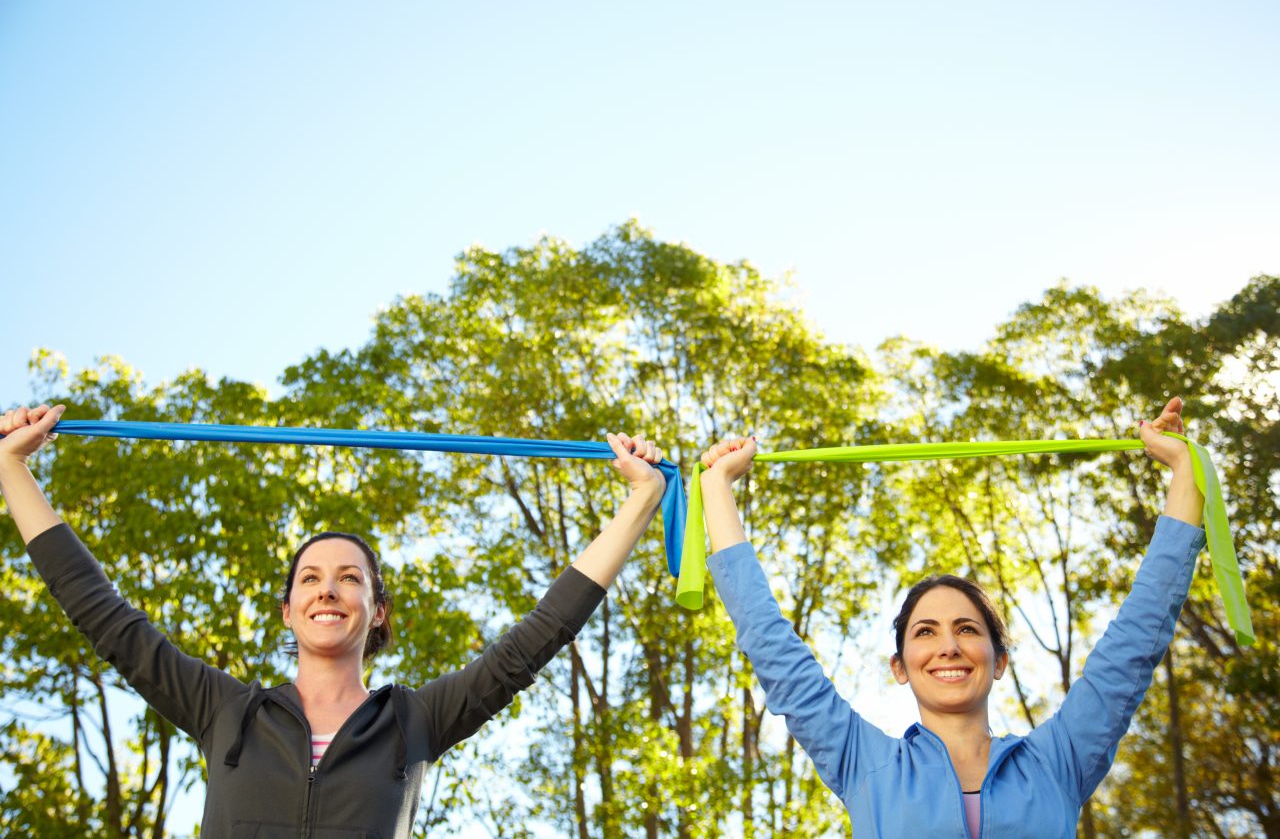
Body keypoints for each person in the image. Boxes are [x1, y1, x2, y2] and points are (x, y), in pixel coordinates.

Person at [0, 402, 667, 838]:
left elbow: (538, 636)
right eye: (311, 578)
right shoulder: (225, 711)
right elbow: (102, 614)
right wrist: (12, 469)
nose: (329, 590)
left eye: (351, 577)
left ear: (376, 610)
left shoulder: (414, 721)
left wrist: (642, 498)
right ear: (288, 610)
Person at [698, 397, 1206, 838]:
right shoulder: (865, 765)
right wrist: (717, 484)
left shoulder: (1058, 761)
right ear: (899, 666)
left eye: (967, 629)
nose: (948, 646)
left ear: (999, 659)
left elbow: (1136, 640)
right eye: (926, 632)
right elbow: (769, 642)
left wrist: (1185, 472)